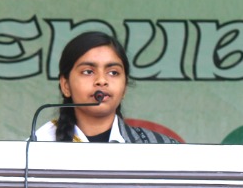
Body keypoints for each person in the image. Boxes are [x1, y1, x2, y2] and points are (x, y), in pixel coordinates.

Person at [34, 31, 179, 144]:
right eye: (88, 72)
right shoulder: (37, 147)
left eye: (113, 72)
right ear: (65, 86)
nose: (101, 81)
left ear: (124, 87)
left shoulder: (163, 149)